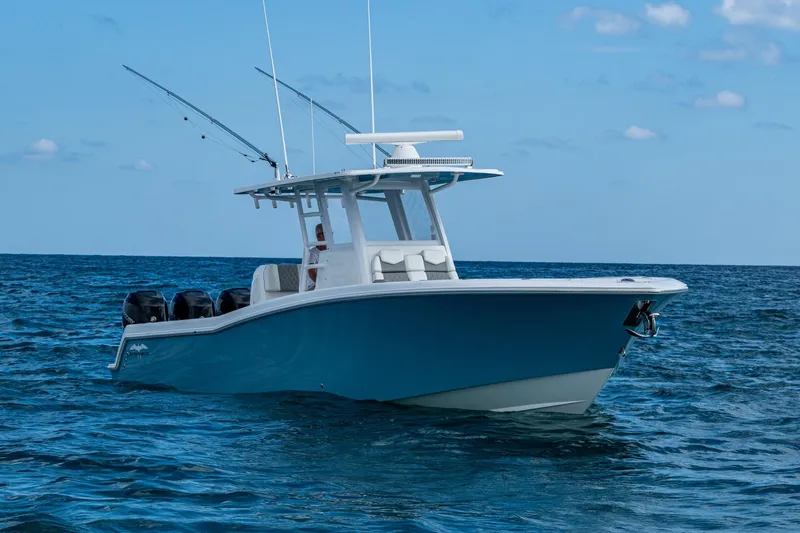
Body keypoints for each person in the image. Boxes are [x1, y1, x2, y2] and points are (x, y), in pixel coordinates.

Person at [307, 223, 327, 290]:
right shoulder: (313, 253)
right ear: (318, 236)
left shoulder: (331, 251)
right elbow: (311, 272)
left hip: (328, 284)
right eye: (325, 233)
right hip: (314, 286)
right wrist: (321, 284)